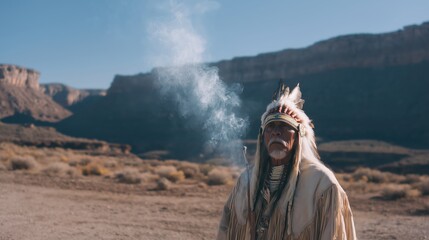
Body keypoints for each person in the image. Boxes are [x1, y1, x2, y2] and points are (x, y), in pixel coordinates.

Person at [217, 83, 357, 240]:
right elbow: (227, 229)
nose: (276, 131)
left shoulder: (321, 184)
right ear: (263, 137)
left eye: (284, 126)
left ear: (299, 135)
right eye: (270, 127)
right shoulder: (246, 181)